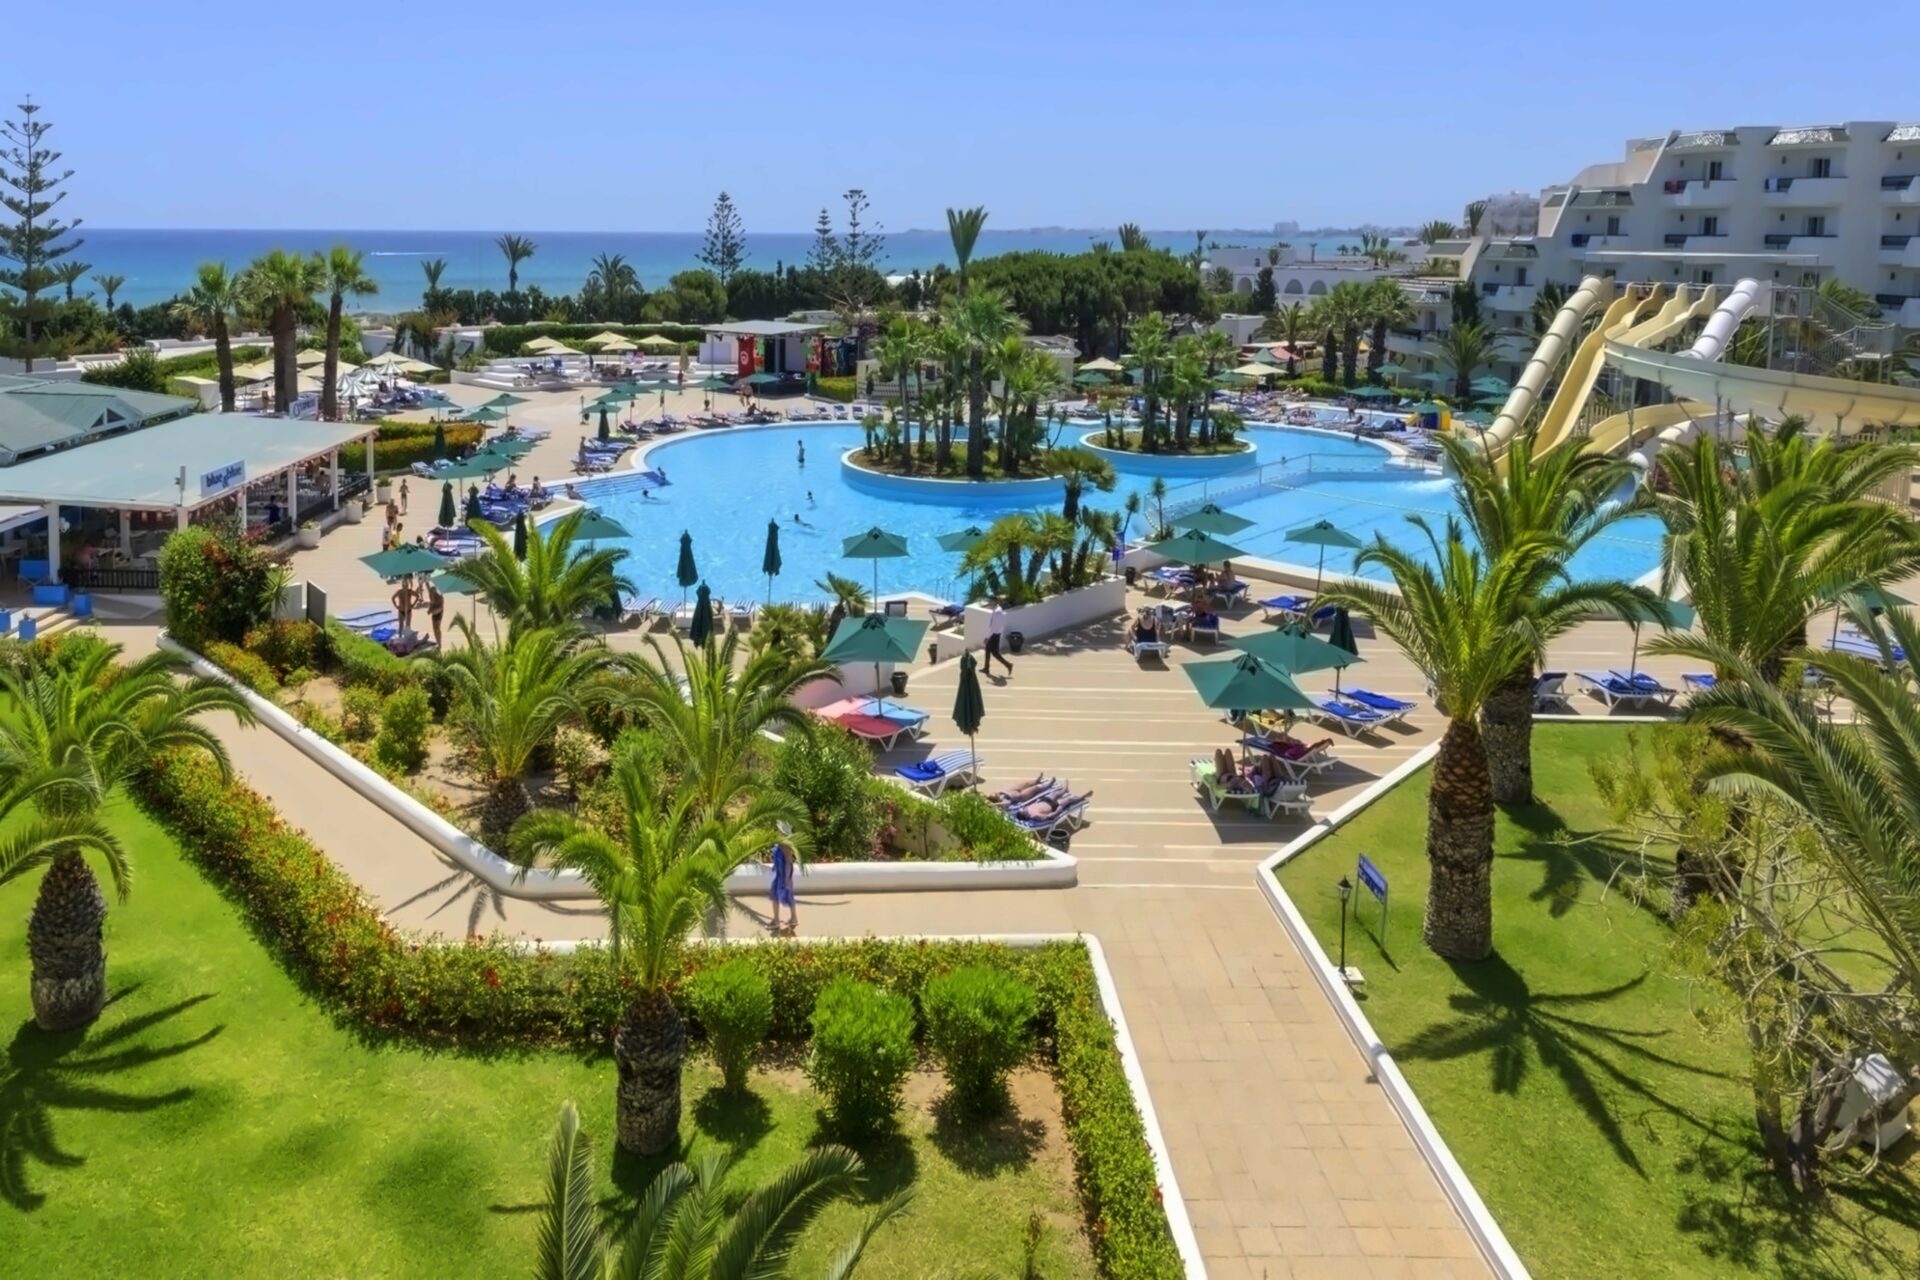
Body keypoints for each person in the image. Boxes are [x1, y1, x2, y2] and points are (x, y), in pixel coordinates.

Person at [768, 837, 797, 933]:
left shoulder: (785, 845)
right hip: (780, 875)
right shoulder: (781, 843)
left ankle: (776, 920)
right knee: (788, 895)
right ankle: (793, 918)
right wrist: (775, 866)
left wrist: (787, 878)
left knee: (775, 896)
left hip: (783, 876)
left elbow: (789, 862)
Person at [983, 600, 1012, 676]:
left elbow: (993, 627)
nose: (989, 604)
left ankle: (1008, 665)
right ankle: (986, 668)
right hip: (996, 634)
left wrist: (987, 637)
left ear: (994, 603)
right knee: (987, 650)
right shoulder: (998, 610)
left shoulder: (997, 613)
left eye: (990, 602)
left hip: (994, 635)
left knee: (995, 653)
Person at [426, 580, 445, 648]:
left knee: (437, 628)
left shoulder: (440, 597)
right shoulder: (431, 596)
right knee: (434, 629)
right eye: (430, 592)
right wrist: (429, 610)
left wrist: (433, 611)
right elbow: (431, 604)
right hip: (434, 613)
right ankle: (438, 642)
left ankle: (439, 644)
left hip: (439, 613)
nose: (431, 593)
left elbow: (440, 608)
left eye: (432, 592)